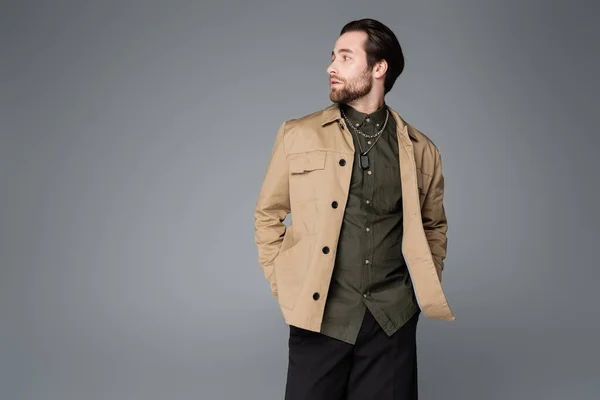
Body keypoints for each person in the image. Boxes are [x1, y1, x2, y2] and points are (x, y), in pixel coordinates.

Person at [253, 18, 456, 400]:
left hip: (391, 323)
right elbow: (268, 215)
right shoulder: (298, 134)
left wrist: (416, 294)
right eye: (333, 56)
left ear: (379, 68)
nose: (331, 66)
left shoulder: (421, 150)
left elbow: (434, 226)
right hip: (320, 318)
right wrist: (287, 284)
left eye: (345, 57)